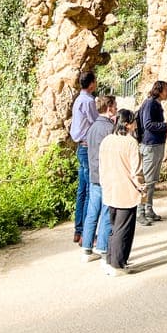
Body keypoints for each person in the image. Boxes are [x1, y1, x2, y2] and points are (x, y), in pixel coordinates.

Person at [100, 109, 146, 275]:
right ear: (127, 124)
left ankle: (111, 259)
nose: (135, 124)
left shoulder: (106, 141)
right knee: (124, 228)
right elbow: (136, 170)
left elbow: (102, 166)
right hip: (126, 189)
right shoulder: (130, 143)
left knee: (114, 226)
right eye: (133, 121)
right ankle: (117, 265)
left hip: (110, 188)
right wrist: (142, 187)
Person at [81, 95, 117, 262]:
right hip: (107, 173)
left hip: (94, 173)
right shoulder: (110, 128)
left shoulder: (93, 127)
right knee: (107, 211)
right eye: (115, 105)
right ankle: (103, 246)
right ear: (109, 107)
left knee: (92, 211)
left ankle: (87, 247)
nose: (116, 108)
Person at [136, 80, 167, 225]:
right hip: (150, 145)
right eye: (166, 90)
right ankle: (140, 212)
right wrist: (166, 125)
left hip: (157, 144)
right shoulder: (150, 103)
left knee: (152, 181)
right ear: (159, 90)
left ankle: (149, 209)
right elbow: (147, 124)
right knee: (147, 181)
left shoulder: (156, 104)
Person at [69, 71, 98, 244]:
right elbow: (95, 122)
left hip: (80, 146)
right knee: (88, 191)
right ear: (92, 83)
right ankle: (87, 234)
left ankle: (78, 230)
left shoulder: (79, 99)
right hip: (87, 148)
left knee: (81, 191)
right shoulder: (88, 101)